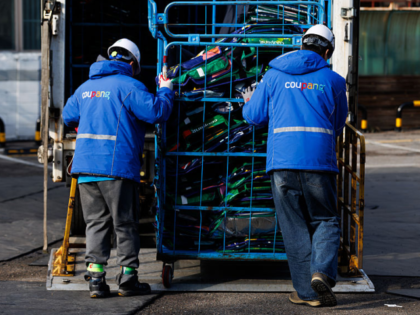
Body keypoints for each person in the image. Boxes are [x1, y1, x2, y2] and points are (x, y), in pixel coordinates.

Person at [241, 25, 348, 307]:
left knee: (294, 226)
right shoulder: (334, 81)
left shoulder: (273, 75)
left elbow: (253, 116)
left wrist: (248, 101)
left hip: (282, 164)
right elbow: (337, 126)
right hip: (319, 163)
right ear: (327, 52)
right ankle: (321, 272)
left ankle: (308, 294)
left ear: (302, 46)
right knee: (325, 219)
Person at [62, 38, 174, 298]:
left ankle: (96, 280)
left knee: (96, 224)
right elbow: (157, 112)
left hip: (86, 169)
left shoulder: (85, 88)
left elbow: (69, 116)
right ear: (133, 63)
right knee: (125, 224)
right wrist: (166, 89)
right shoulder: (130, 86)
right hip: (117, 167)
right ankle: (127, 279)